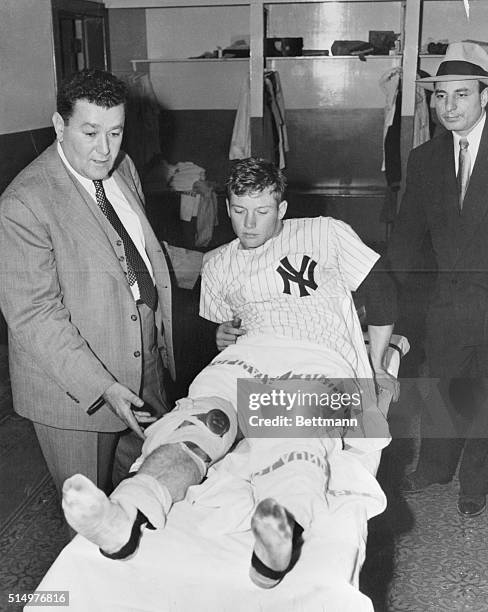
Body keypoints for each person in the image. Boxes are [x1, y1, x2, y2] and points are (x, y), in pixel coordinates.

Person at [61, 157, 398, 588]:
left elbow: (382, 290)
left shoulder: (325, 233)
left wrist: (374, 365)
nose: (249, 224)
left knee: (292, 428)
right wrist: (217, 335)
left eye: (262, 211)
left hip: (315, 359)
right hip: (244, 361)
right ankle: (125, 513)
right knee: (203, 421)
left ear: (283, 208)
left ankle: (278, 539)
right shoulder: (218, 263)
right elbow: (205, 335)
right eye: (239, 211)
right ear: (227, 207)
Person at [0, 69, 175, 499]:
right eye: (90, 132)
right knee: (95, 518)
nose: (104, 150)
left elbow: (137, 253)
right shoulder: (24, 204)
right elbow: (34, 315)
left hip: (146, 362)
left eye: (115, 133)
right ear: (60, 126)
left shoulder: (124, 168)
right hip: (77, 390)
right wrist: (103, 387)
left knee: (161, 490)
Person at [385, 41, 488, 517]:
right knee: (443, 387)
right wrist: (404, 307)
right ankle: (435, 468)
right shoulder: (424, 159)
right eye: (441, 95)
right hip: (445, 304)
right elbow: (406, 238)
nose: (449, 106)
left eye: (461, 94)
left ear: (484, 96)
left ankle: (475, 484)